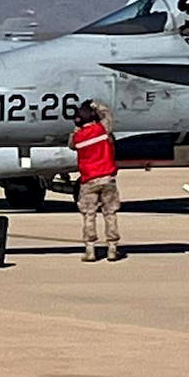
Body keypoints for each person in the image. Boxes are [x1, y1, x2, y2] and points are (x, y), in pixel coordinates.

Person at [69, 102, 121, 262]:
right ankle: (112, 249)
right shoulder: (102, 129)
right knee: (110, 213)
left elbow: (71, 144)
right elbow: (108, 116)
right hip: (107, 178)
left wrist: (77, 128)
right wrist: (97, 105)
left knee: (89, 215)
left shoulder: (77, 138)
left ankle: (90, 250)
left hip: (88, 181)